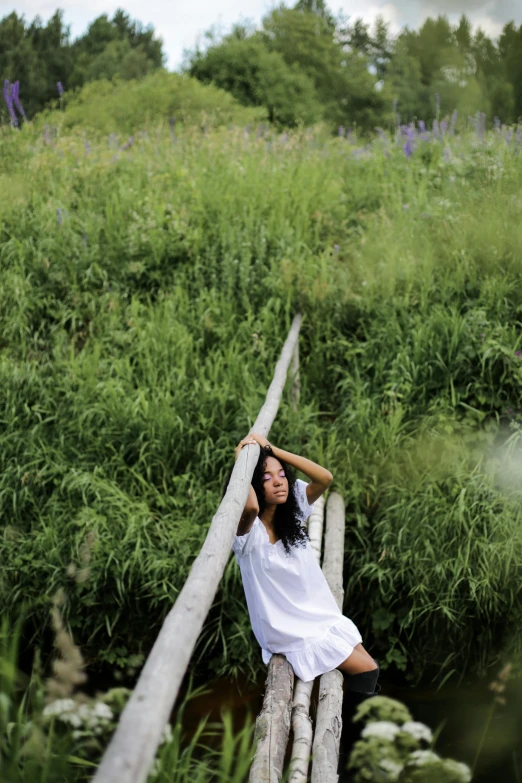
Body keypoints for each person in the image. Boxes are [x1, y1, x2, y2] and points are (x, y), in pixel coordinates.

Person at [223, 433, 381, 774]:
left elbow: (325, 477)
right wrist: (244, 460)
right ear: (252, 484)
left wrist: (272, 451)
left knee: (368, 663)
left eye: (281, 475)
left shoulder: (291, 514)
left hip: (316, 616)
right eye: (266, 479)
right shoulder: (246, 535)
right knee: (367, 669)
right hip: (287, 629)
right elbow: (250, 505)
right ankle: (354, 754)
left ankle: (356, 745)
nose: (279, 482)